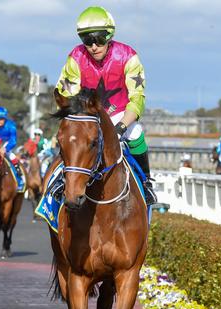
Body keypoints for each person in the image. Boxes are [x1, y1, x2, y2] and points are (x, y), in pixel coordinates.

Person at [55, 6, 156, 204]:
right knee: (71, 140)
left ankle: (146, 183)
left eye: (99, 39)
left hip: (120, 114)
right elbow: (66, 93)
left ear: (109, 35)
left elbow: (137, 98)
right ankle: (60, 182)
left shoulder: (128, 56)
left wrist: (120, 128)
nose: (93, 46)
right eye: (87, 40)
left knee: (135, 133)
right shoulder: (75, 58)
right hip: (87, 115)